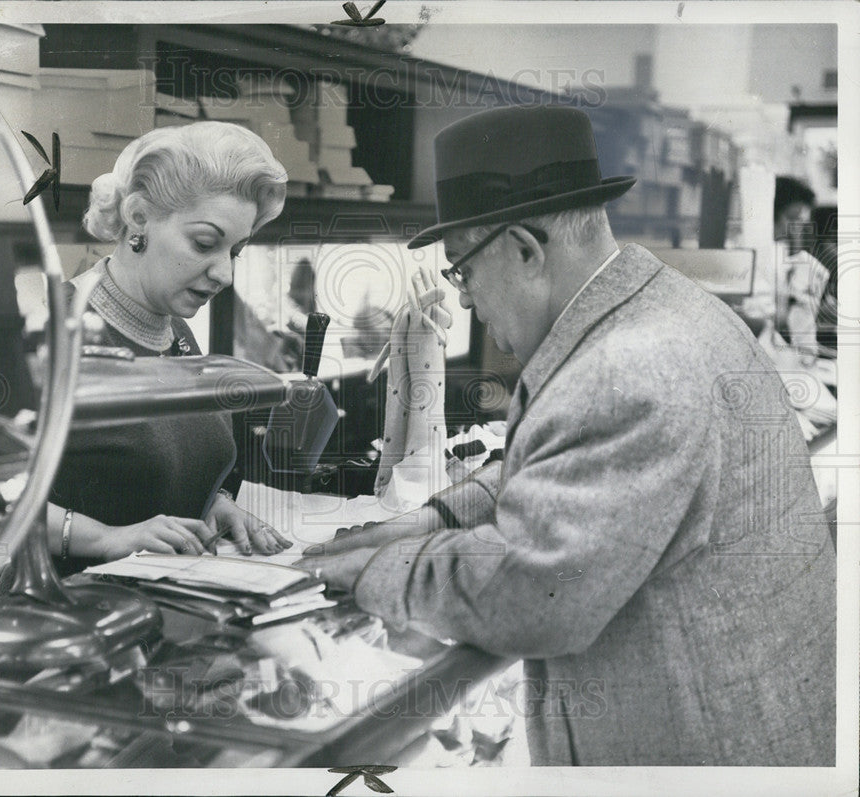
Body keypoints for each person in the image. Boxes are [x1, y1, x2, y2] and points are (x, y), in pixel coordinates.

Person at [298, 106, 835, 766]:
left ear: (525, 248)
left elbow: (530, 594)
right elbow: (564, 459)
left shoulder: (626, 368)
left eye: (462, 268)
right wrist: (432, 517)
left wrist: (371, 569)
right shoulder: (663, 308)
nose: (463, 299)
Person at [47, 122, 292, 564]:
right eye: (204, 243)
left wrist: (213, 504)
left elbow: (145, 479)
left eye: (235, 252)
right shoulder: (58, 329)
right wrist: (106, 538)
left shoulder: (174, 331)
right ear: (138, 216)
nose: (224, 274)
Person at [743, 175, 830, 352]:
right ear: (771, 213)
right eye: (792, 218)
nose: (794, 229)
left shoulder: (789, 260)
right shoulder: (752, 255)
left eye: (800, 221)